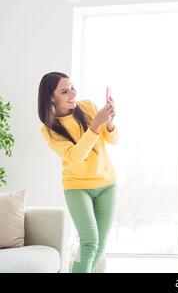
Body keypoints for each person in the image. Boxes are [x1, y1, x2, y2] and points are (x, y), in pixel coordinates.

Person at [38, 72, 118, 273]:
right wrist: (96, 124)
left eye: (72, 87)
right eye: (64, 91)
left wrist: (109, 122)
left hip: (107, 184)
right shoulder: (49, 130)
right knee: (90, 241)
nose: (72, 93)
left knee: (98, 247)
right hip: (77, 188)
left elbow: (114, 140)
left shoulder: (88, 107)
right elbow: (75, 156)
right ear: (51, 97)